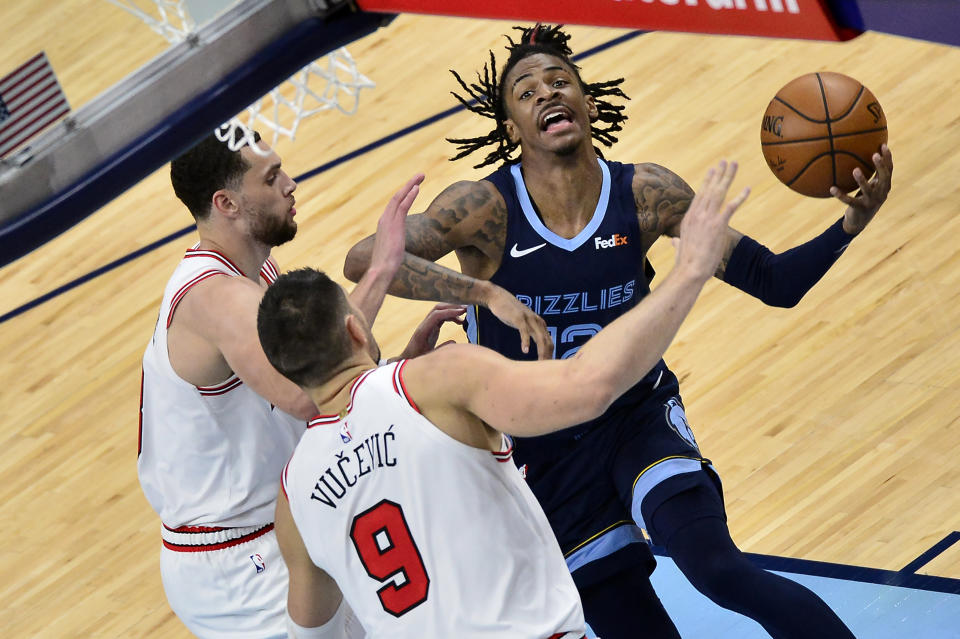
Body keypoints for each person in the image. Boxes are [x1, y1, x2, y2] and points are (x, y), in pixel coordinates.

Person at [344, 25, 894, 639]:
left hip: (637, 415)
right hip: (544, 450)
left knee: (719, 570)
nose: (548, 93)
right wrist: (483, 291)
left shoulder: (646, 194)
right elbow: (365, 260)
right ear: (511, 129)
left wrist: (851, 224)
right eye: (527, 92)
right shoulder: (484, 208)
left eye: (560, 82)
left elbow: (773, 280)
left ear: (588, 102)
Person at [259, 160, 747, 638]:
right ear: (354, 328)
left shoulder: (292, 496)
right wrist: (689, 272)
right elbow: (590, 387)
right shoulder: (437, 380)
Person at [138, 126, 450, 638]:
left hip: (286, 527)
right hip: (239, 560)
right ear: (228, 203)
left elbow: (327, 365)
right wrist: (384, 276)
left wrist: (393, 367)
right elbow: (312, 395)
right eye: (272, 177)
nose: (291, 182)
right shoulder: (218, 299)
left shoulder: (253, 273)